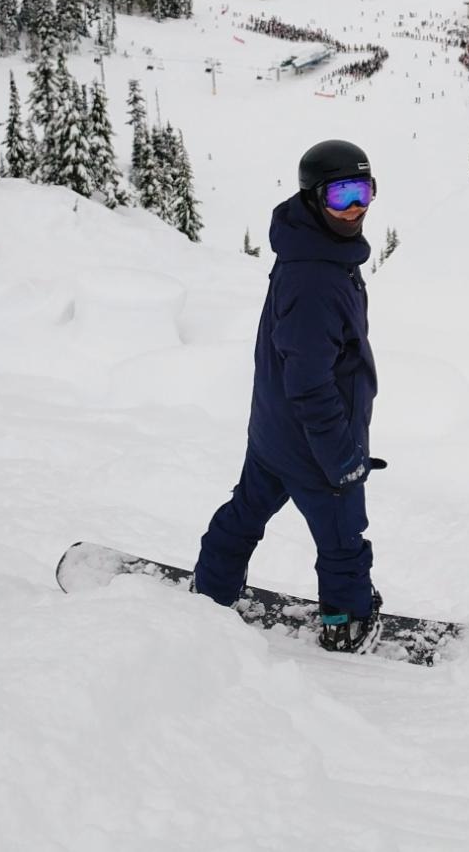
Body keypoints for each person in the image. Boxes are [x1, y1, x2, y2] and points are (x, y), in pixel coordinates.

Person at [192, 139, 384, 652]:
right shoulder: (317, 276)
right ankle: (347, 624)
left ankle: (210, 590)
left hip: (275, 431)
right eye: (341, 196)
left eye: (363, 192)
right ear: (313, 198)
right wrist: (341, 457)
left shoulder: (310, 251)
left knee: (246, 512)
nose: (355, 208)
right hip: (315, 442)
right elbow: (310, 381)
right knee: (343, 539)